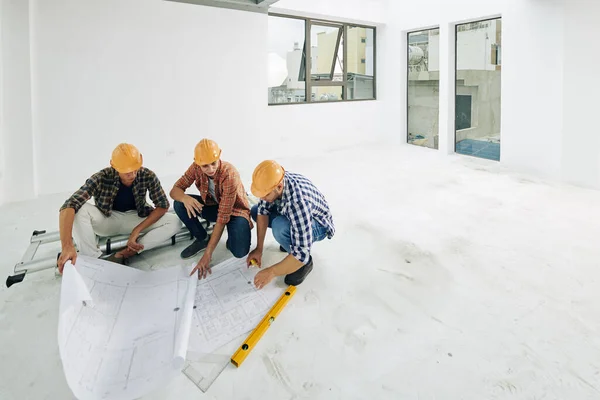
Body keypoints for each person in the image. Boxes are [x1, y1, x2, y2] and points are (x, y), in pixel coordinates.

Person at [57, 143, 182, 272]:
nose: (132, 174)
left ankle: (126, 253)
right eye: (127, 171)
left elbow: (162, 205)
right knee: (79, 209)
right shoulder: (101, 177)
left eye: (135, 169)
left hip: (135, 218)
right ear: (113, 165)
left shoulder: (147, 175)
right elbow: (69, 205)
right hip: (107, 220)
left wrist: (137, 231)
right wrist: (67, 246)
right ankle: (94, 259)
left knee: (175, 222)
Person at [170, 139, 253, 279]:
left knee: (239, 252)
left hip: (235, 212)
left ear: (219, 155)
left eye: (213, 163)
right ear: (197, 163)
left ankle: (235, 233)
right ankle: (202, 239)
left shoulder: (229, 173)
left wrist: (207, 255)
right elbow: (175, 190)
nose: (210, 169)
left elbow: (222, 217)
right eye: (205, 166)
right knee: (179, 204)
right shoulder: (196, 167)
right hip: (213, 206)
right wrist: (185, 198)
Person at [247, 160, 335, 289]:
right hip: (295, 215)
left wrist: (271, 272)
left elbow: (301, 254)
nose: (263, 198)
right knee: (256, 211)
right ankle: (289, 243)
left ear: (279, 187)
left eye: (265, 195)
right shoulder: (274, 182)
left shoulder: (298, 203)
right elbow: (262, 211)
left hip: (318, 225)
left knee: (279, 227)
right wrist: (259, 248)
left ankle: (306, 265)